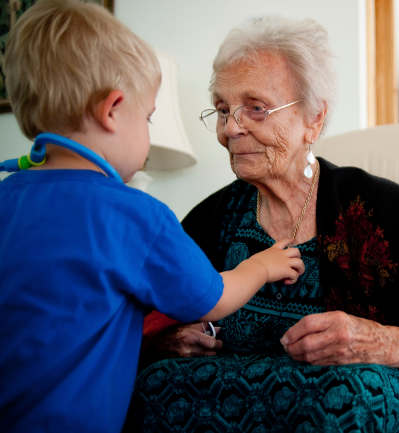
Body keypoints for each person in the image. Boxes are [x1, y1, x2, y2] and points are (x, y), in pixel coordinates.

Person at [134, 16, 399, 432]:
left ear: (314, 119)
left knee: (344, 396)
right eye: (223, 109)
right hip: (235, 401)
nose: (230, 128)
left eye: (256, 108)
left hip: (360, 396)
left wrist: (383, 342)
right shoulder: (213, 219)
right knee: (153, 385)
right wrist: (164, 342)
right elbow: (147, 318)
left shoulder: (384, 212)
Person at [0, 2, 304, 433]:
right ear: (113, 109)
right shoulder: (134, 215)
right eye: (146, 118)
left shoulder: (7, 197)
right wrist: (259, 266)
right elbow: (212, 296)